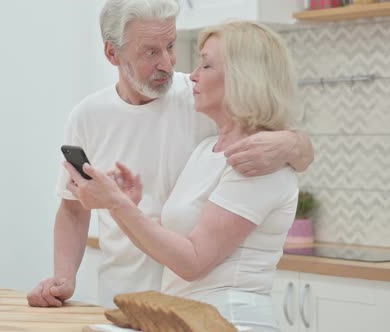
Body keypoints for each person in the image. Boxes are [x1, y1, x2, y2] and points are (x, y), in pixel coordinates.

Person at [27, 0, 313, 310]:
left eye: (171, 45)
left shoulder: (202, 98)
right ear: (113, 53)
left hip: (194, 301)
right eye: (151, 52)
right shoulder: (88, 116)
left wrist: (292, 143)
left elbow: (275, 144)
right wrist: (64, 277)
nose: (168, 63)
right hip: (122, 298)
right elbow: (73, 209)